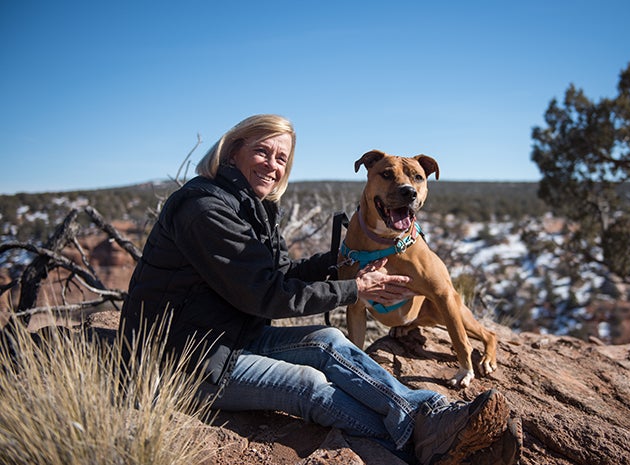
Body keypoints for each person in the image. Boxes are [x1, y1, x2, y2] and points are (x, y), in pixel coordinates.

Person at [119, 114, 521, 465]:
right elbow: (266, 295)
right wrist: (354, 289)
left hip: (231, 336)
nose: (272, 166)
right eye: (262, 152)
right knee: (310, 386)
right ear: (232, 151)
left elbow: (279, 272)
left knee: (327, 340)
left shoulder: (247, 205)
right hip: (185, 360)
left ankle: (427, 413)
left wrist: (338, 262)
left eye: (281, 158)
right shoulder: (205, 209)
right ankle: (420, 440)